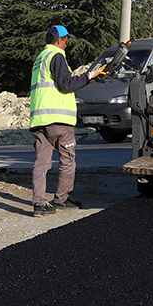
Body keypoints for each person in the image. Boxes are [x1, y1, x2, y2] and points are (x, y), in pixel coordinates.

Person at [29, 25, 105, 216]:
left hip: (40, 119)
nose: (66, 44)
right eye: (66, 40)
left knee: (41, 162)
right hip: (58, 119)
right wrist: (89, 76)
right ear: (59, 40)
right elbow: (66, 84)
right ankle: (61, 200)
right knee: (67, 159)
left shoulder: (40, 58)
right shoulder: (56, 55)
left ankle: (39, 203)